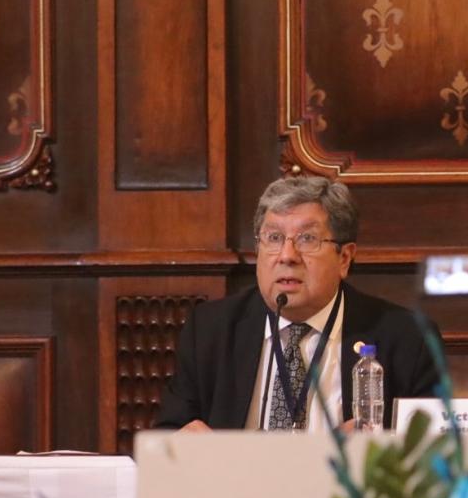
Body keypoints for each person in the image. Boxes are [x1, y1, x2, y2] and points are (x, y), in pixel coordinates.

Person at [155, 176, 438, 432]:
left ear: (344, 258)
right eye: (274, 238)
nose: (287, 256)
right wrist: (182, 444)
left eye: (307, 239)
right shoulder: (211, 329)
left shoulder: (407, 339)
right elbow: (168, 434)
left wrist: (371, 455)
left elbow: (432, 452)